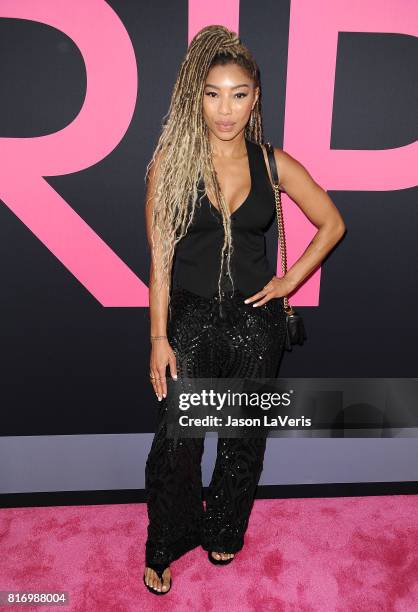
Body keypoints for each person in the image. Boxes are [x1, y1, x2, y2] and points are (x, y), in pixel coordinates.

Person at [143, 25, 346, 595]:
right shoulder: (172, 165)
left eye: (238, 94)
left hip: (257, 327)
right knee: (178, 441)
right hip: (191, 319)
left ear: (255, 98)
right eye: (213, 93)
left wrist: (288, 281)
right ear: (196, 95)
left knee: (242, 439)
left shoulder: (273, 163)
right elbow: (159, 261)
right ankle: (163, 545)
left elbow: (332, 223)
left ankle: (224, 528)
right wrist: (159, 339)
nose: (225, 109)